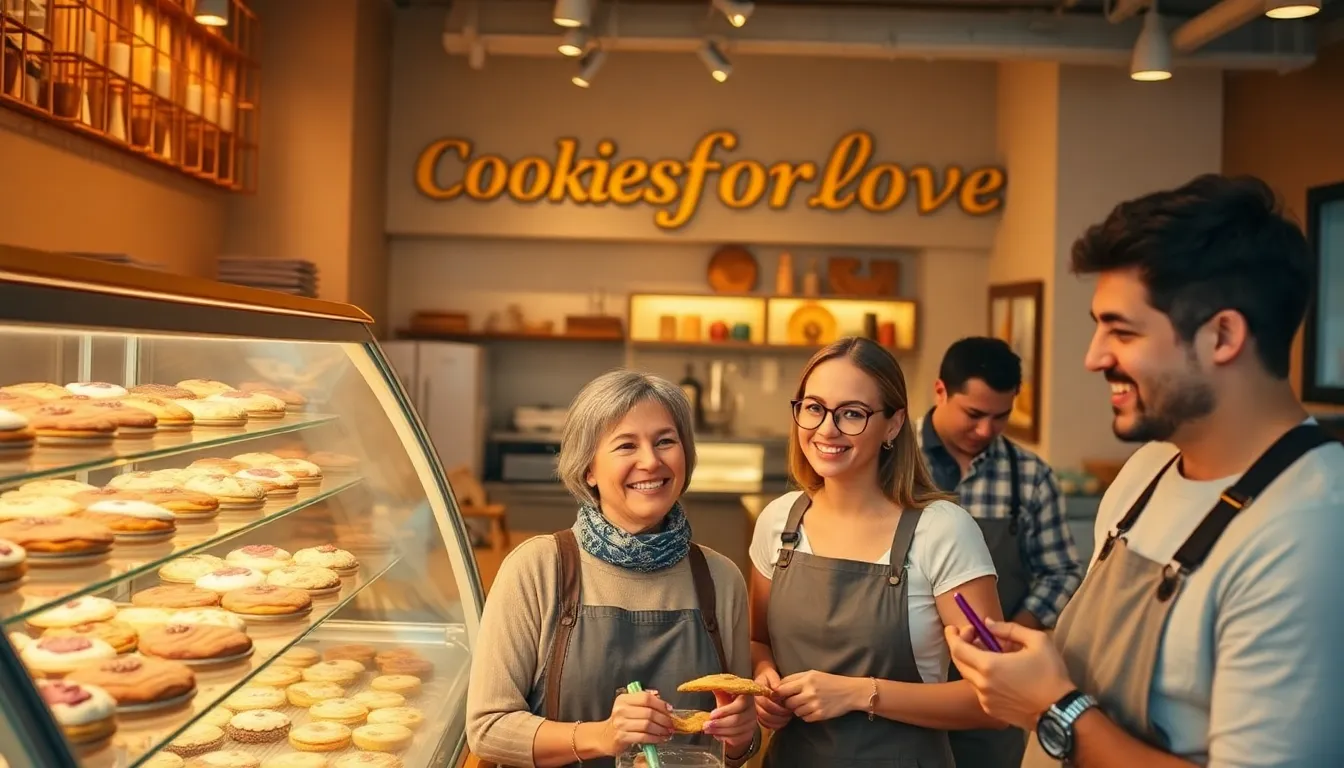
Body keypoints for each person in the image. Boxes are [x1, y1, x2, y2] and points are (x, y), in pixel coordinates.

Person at [947, 174, 1344, 768]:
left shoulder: (1310, 532)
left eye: (1122, 330)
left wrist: (1050, 710)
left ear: (1223, 336)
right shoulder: (1147, 470)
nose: (1094, 357)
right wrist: (1024, 668)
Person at [465, 370, 760, 768]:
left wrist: (741, 737)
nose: (650, 461)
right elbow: (488, 729)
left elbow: (735, 746)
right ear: (588, 468)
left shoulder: (721, 578)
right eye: (626, 445)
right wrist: (602, 736)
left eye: (665, 441)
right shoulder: (537, 569)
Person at [748, 336, 1006, 767]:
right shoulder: (778, 522)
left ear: (893, 424)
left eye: (852, 413)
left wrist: (859, 693)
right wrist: (764, 680)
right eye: (813, 408)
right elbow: (758, 641)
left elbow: (997, 700)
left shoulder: (943, 531)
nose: (826, 429)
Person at [918, 337, 1084, 768]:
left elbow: (1062, 572)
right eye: (974, 414)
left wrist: (1010, 637)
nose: (986, 431)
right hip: (903, 683)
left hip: (993, 690)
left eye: (1001, 416)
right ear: (940, 391)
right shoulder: (891, 463)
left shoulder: (1029, 477)